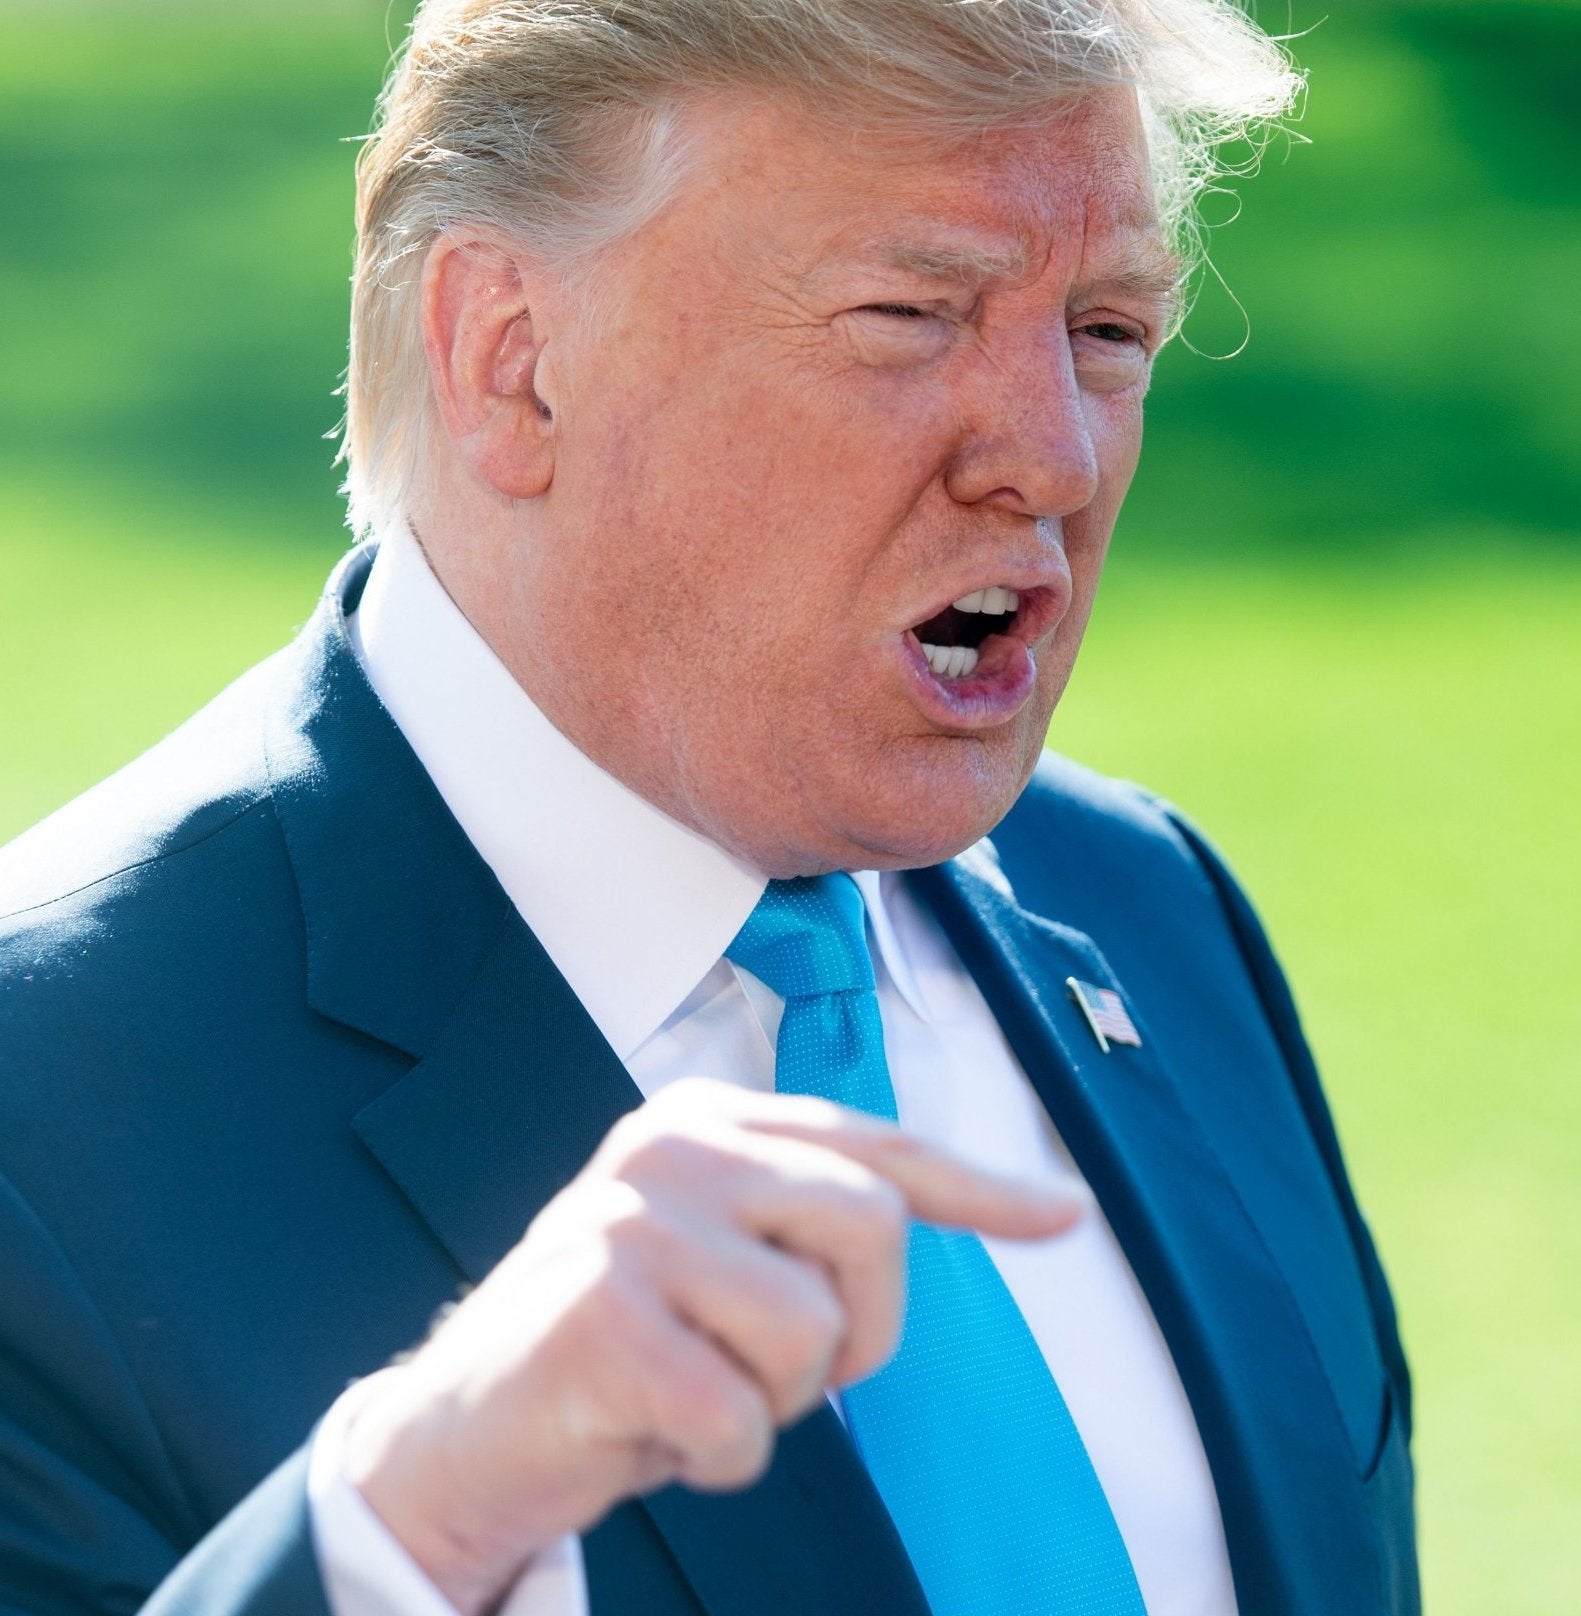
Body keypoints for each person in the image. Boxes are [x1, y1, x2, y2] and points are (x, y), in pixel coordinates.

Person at [0, 2, 1415, 1612]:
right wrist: (416, 1525)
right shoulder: (33, 1122)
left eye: (1104, 330)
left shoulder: (1152, 912)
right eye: (909, 312)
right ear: (511, 361)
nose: (1053, 456)